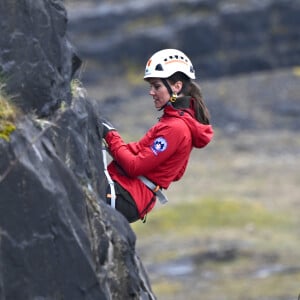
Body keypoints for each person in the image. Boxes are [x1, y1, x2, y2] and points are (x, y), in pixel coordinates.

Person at [99, 49, 214, 223]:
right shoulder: (172, 122)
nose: (151, 92)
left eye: (157, 86)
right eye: (151, 86)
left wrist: (110, 135)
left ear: (177, 87)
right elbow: (139, 151)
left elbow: (134, 166)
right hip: (127, 193)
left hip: (126, 197)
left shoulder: (176, 128)